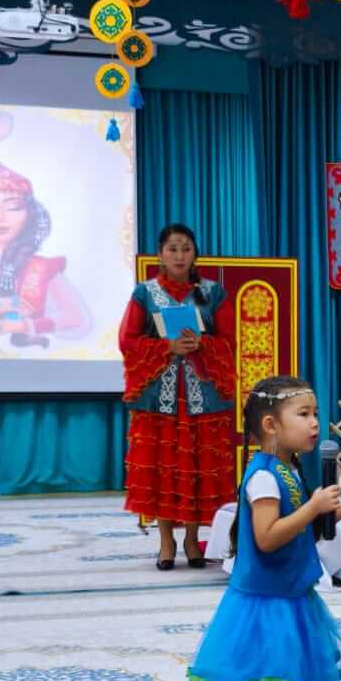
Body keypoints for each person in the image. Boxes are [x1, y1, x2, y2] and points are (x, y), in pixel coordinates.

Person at [188, 376, 341, 681]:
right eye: (303, 414)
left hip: (293, 596)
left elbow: (309, 531)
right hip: (264, 602)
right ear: (271, 425)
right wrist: (312, 507)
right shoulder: (264, 477)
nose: (315, 423)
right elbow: (267, 537)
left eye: (316, 413)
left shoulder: (289, 470)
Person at [119, 224, 236, 569]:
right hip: (160, 398)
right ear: (160, 254)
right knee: (163, 467)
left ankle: (192, 539)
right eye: (172, 248)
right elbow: (127, 341)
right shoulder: (145, 293)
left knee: (197, 467)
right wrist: (167, 347)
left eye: (186, 248)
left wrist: (204, 344)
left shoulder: (212, 293)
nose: (179, 255)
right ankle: (166, 540)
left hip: (203, 396)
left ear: (195, 254)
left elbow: (230, 341)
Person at [0, 112, 90, 347]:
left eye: (13, 207)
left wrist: (28, 326)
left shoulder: (45, 268)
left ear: (29, 213)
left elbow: (78, 319)